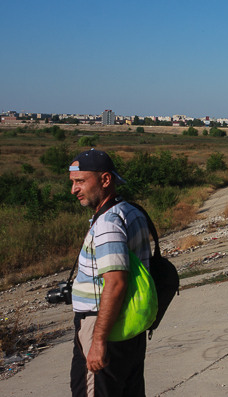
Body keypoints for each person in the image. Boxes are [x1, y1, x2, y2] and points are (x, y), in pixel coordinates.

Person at [68, 149, 152, 397]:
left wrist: (98, 341)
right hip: (129, 323)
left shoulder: (108, 223)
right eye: (72, 182)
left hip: (103, 324)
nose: (73, 190)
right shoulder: (132, 211)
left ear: (105, 180)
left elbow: (115, 283)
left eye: (80, 181)